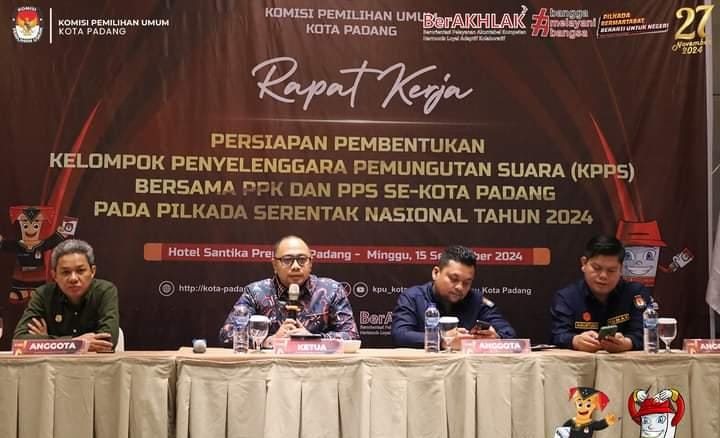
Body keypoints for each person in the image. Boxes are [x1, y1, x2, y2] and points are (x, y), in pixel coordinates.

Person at [219, 235, 359, 345]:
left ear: (310, 263)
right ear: (275, 265)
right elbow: (227, 335)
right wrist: (269, 340)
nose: (296, 266)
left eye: (302, 259)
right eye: (287, 260)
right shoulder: (256, 292)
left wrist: (312, 340)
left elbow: (351, 336)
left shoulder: (331, 290)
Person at [391, 245, 516, 350]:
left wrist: (496, 338)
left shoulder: (476, 300)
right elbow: (400, 335)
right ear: (436, 273)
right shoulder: (413, 297)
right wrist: (444, 340)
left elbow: (509, 334)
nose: (460, 287)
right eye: (454, 279)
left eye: (466, 282)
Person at [550, 235, 652, 353]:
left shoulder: (636, 293)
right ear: (584, 263)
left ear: (621, 269)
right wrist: (575, 341)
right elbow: (557, 335)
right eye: (597, 268)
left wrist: (627, 343)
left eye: (611, 270)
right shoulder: (566, 298)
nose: (603, 276)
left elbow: (646, 333)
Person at [13, 239, 119, 352]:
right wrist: (78, 343)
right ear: (54, 275)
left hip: (94, 363)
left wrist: (47, 342)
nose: (73, 278)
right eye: (66, 272)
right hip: (54, 364)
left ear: (92, 271)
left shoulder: (105, 291)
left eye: (80, 271)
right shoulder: (43, 295)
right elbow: (20, 341)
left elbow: (108, 341)